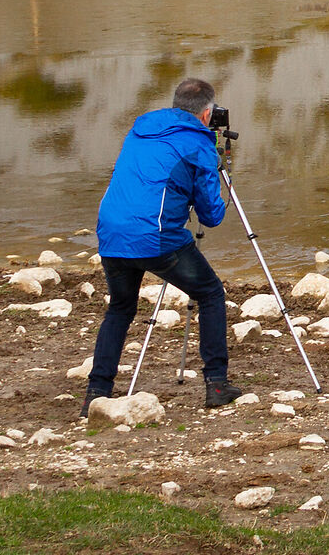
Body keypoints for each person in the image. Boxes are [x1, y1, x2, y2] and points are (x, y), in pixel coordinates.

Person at [84, 77, 244, 412]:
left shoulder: (140, 130)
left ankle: (96, 396)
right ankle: (216, 385)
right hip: (155, 237)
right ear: (206, 114)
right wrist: (218, 169)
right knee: (211, 294)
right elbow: (212, 216)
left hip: (111, 233)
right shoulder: (197, 144)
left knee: (120, 308)